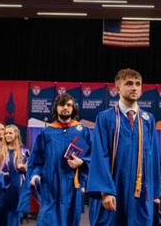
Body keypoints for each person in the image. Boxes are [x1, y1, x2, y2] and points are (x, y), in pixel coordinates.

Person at [87, 69, 161, 226]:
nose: (134, 87)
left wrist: (156, 193)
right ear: (117, 88)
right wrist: (106, 191)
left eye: (137, 84)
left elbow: (153, 157)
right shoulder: (106, 118)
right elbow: (100, 156)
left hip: (141, 191)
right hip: (114, 188)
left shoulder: (148, 120)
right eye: (129, 84)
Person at [28, 93, 92, 226]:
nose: (65, 107)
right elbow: (37, 160)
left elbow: (95, 157)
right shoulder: (46, 132)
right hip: (50, 186)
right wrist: (35, 175)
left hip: (72, 186)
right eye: (61, 105)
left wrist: (82, 162)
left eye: (69, 105)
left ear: (73, 108)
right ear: (56, 108)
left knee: (70, 221)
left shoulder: (83, 131)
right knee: (47, 220)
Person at [0, 125, 30, 226]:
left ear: (16, 134)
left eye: (10, 133)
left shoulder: (24, 152)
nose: (7, 135)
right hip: (0, 190)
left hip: (16, 190)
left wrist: (25, 170)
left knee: (14, 219)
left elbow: (29, 172)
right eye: (6, 133)